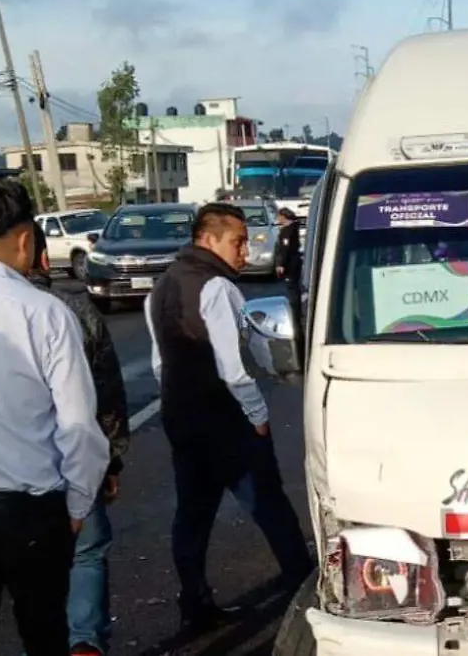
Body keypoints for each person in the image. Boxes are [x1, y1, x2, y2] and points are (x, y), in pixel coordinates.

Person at [144, 202, 313, 634]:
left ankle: (196, 603)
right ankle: (305, 594)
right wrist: (257, 414)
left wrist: (175, 404)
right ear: (208, 239)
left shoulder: (162, 287)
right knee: (271, 507)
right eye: (238, 241)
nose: (245, 250)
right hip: (226, 420)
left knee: (193, 515)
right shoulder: (216, 288)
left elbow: (161, 364)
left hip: (183, 417)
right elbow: (235, 365)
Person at [0, 178, 110, 656]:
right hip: (30, 510)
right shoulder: (45, 312)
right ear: (24, 241)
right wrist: (78, 507)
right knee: (43, 633)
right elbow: (79, 424)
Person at [28, 227, 129, 656]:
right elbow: (104, 392)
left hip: (3, 479)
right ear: (42, 258)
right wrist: (110, 460)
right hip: (72, 463)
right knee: (85, 555)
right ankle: (84, 642)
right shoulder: (69, 309)